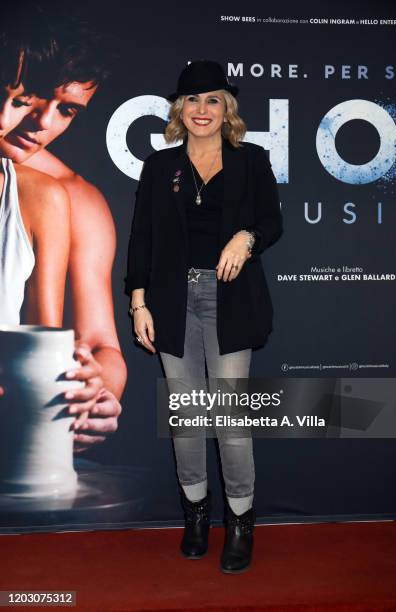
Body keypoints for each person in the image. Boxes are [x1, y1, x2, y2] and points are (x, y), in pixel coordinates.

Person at [126, 60, 283, 573]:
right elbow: (141, 241)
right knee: (188, 419)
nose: (201, 110)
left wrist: (245, 237)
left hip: (230, 299)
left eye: (212, 99)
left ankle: (240, 521)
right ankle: (195, 516)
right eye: (192, 100)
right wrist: (138, 302)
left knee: (230, 419)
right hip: (171, 303)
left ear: (226, 108)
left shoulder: (252, 161)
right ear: (179, 109)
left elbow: (271, 221)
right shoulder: (158, 166)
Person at [0, 7, 125, 448]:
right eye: (32, 96)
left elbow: (100, 345)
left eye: (68, 110)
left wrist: (97, 391)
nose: (44, 123)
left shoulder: (75, 199)